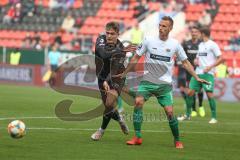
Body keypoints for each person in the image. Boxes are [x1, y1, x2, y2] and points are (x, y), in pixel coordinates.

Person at [115, 16, 208, 148]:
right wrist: (125, 72)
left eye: (164, 26)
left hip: (164, 84)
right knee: (138, 102)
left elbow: (186, 62)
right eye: (160, 25)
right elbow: (136, 57)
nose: (161, 28)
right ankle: (137, 137)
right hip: (147, 81)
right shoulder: (148, 40)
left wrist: (196, 76)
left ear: (170, 28)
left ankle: (177, 140)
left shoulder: (175, 44)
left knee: (169, 112)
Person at [91, 22, 135, 141]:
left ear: (118, 34)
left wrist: (107, 80)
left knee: (110, 103)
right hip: (101, 76)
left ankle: (101, 131)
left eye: (112, 34)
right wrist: (120, 51)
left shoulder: (121, 47)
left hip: (116, 77)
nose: (109, 36)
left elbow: (115, 69)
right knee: (108, 107)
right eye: (107, 33)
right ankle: (120, 119)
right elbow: (103, 54)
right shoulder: (101, 40)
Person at [183, 26, 223, 124]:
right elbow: (198, 57)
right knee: (190, 93)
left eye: (200, 33)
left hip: (208, 74)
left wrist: (210, 67)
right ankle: (187, 115)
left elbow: (220, 58)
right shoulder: (200, 45)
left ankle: (214, 117)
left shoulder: (213, 45)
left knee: (209, 95)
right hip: (197, 73)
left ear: (203, 34)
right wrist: (196, 60)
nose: (198, 35)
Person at [178, 26, 204, 118]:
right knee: (191, 90)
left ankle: (200, 106)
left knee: (200, 89)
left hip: (200, 69)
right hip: (190, 70)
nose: (194, 33)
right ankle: (193, 110)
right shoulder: (186, 43)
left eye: (196, 32)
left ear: (198, 33)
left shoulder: (202, 44)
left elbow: (205, 55)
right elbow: (182, 56)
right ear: (190, 33)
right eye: (192, 32)